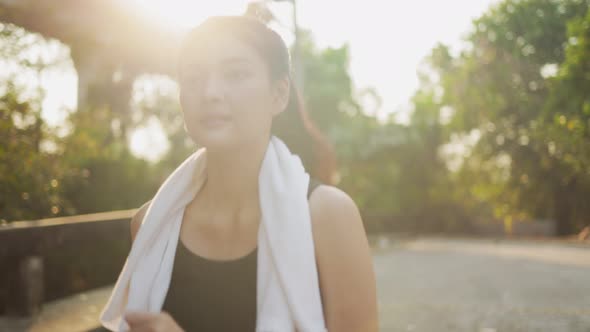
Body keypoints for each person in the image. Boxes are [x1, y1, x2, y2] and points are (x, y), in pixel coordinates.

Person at [120, 15, 378, 332]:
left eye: (235, 74)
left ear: (278, 95)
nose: (210, 92)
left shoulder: (328, 215)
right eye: (194, 77)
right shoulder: (150, 224)